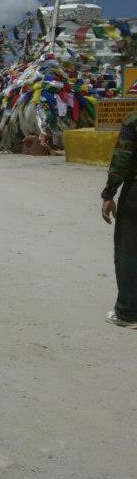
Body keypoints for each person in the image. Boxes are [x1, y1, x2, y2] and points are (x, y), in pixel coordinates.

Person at [101, 111, 137, 328]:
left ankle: (128, 313)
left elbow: (122, 158)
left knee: (129, 252)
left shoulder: (133, 120)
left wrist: (109, 194)